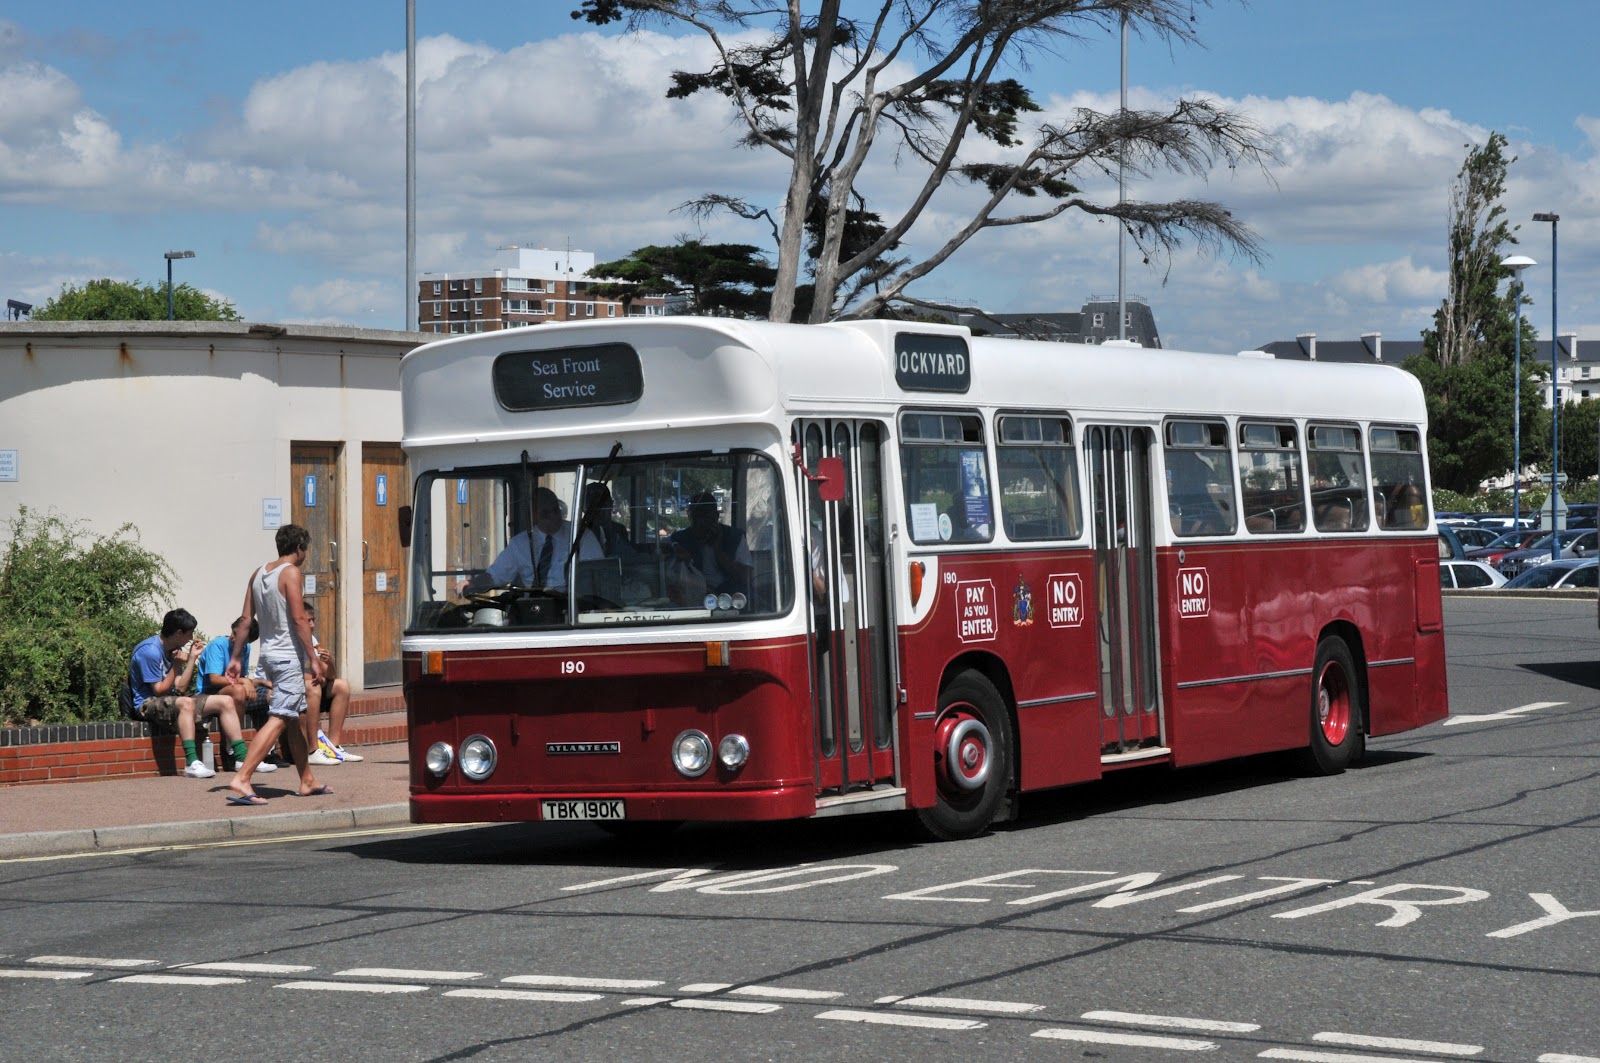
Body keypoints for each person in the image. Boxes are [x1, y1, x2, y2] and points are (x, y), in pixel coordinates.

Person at [225, 524, 329, 805]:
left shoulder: (258, 574)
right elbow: (298, 619)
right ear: (299, 549)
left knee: (293, 718)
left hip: (268, 656)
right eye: (305, 550)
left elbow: (246, 621)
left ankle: (307, 780)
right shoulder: (291, 573)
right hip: (287, 658)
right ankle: (243, 777)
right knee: (282, 716)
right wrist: (313, 658)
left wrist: (235, 657)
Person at [128, 608, 254, 779]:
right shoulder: (149, 651)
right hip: (147, 703)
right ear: (179, 633)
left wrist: (192, 659)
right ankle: (191, 763)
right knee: (186, 703)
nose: (191, 638)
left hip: (173, 700)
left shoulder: (174, 650)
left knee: (225, 701)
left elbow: (180, 687)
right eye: (190, 633)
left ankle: (242, 757)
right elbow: (159, 691)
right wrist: (176, 666)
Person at [458, 486, 603, 596]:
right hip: (532, 610)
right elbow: (495, 575)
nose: (553, 516)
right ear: (534, 516)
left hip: (573, 608)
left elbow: (599, 576)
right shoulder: (519, 544)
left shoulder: (582, 536)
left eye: (556, 510)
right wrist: (472, 583)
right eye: (546, 513)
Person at [194, 615, 278, 774]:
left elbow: (241, 677)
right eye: (234, 633)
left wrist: (259, 682)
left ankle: (267, 751)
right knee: (239, 691)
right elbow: (215, 679)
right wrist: (244, 682)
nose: (234, 638)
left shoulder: (245, 648)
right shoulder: (218, 646)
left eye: (240, 638)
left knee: (271, 695)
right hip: (209, 693)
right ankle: (233, 749)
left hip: (232, 690)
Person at [301, 600, 362, 765]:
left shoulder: (312, 640)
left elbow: (332, 676)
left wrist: (330, 663)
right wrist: (313, 677)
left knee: (342, 686)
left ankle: (333, 746)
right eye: (308, 620)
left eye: (313, 620)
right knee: (313, 687)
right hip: (289, 686)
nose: (312, 624)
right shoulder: (291, 640)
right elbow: (288, 673)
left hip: (311, 685)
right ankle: (313, 750)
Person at [669, 491, 752, 596]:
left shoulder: (734, 537)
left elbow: (745, 577)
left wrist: (719, 550)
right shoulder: (680, 539)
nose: (701, 522)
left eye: (706, 516)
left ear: (716, 516)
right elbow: (672, 576)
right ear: (690, 517)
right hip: (692, 594)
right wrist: (685, 559)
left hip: (729, 596)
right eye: (696, 516)